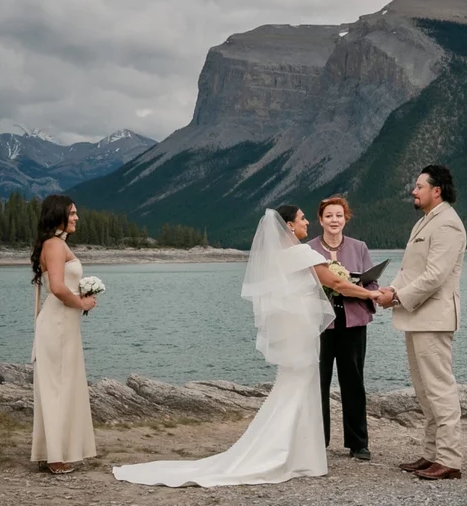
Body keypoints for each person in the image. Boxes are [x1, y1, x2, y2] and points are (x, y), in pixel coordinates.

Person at [114, 204, 335, 487]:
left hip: (294, 332)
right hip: (302, 333)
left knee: (292, 386)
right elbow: (333, 282)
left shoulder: (277, 258)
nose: (307, 223)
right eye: (303, 218)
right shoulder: (302, 253)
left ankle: (299, 456)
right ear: (290, 225)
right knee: (298, 387)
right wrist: (370, 293)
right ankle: (287, 455)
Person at [376, 165, 467, 481]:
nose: (413, 191)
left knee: (439, 388)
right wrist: (390, 290)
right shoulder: (425, 221)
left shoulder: (448, 225)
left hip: (434, 319)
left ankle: (449, 460)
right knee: (424, 390)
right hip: (418, 317)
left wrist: (396, 297)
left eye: (419, 186)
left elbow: (434, 276)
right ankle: (431, 454)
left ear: (436, 190)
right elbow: (410, 270)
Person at [30, 195, 98, 474]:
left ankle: (52, 451)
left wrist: (82, 295)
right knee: (57, 388)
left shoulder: (57, 243)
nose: (76, 218)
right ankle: (55, 457)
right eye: (72, 213)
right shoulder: (55, 245)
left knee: (61, 386)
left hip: (65, 326)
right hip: (57, 325)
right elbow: (57, 288)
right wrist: (81, 302)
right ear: (57, 215)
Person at [308, 196, 379, 461]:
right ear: (320, 220)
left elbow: (372, 283)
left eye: (338, 215)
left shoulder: (359, 247)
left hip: (353, 322)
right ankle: (318, 441)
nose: (334, 220)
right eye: (328, 216)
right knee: (318, 382)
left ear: (346, 218)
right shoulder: (309, 249)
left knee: (353, 381)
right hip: (319, 324)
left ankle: (358, 443)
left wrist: (369, 290)